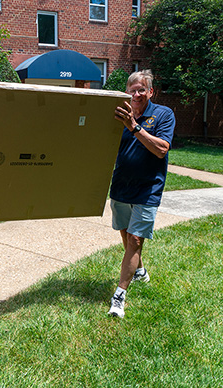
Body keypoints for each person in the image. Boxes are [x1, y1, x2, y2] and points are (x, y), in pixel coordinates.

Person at [108, 69, 175, 318]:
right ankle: (140, 270)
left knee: (136, 241)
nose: (136, 94)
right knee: (127, 237)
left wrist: (134, 126)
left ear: (150, 91)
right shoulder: (119, 114)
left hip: (148, 188)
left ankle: (119, 296)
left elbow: (161, 150)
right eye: (132, 90)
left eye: (141, 89)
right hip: (121, 185)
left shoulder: (162, 115)